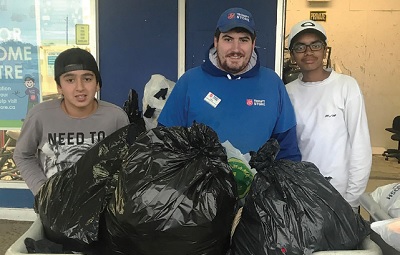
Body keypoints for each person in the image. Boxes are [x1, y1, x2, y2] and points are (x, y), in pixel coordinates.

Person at [158, 7, 301, 160]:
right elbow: (165, 145)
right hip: (201, 183)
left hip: (258, 183)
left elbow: (287, 150)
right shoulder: (189, 82)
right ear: (216, 41)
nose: (236, 49)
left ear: (253, 44)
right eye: (228, 39)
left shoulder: (273, 84)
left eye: (243, 40)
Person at [13, 47, 130, 195]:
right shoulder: (40, 116)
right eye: (70, 80)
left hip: (102, 207)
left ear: (98, 84)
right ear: (59, 87)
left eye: (87, 79)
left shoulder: (116, 117)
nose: (80, 87)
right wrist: (43, 192)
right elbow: (23, 155)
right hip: (54, 208)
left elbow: (125, 161)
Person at [285, 20, 372, 211]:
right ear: (292, 54)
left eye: (315, 45)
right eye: (300, 47)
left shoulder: (346, 86)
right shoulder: (287, 92)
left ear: (325, 50)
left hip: (341, 196)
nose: (308, 52)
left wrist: (352, 199)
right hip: (302, 195)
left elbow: (360, 145)